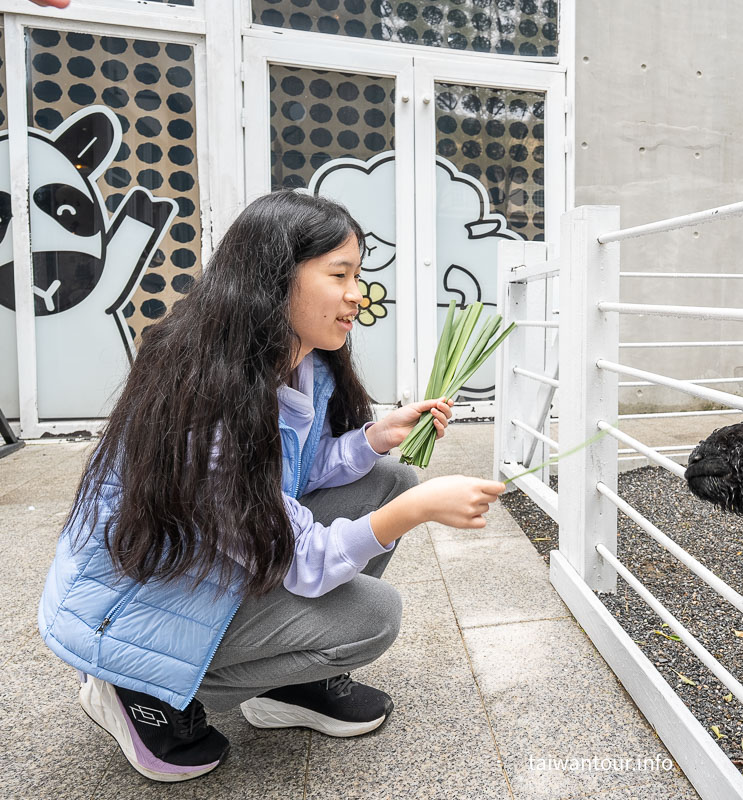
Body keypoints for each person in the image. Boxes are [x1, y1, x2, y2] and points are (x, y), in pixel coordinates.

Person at [38, 191, 506, 782]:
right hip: (136, 614)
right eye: (340, 274)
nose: (357, 294)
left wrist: (374, 438)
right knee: (376, 613)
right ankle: (137, 686)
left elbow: (291, 477)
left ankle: (287, 684)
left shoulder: (299, 361)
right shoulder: (208, 399)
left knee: (388, 477)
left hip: (209, 563)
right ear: (276, 278)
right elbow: (304, 559)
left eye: (358, 275)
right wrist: (416, 510)